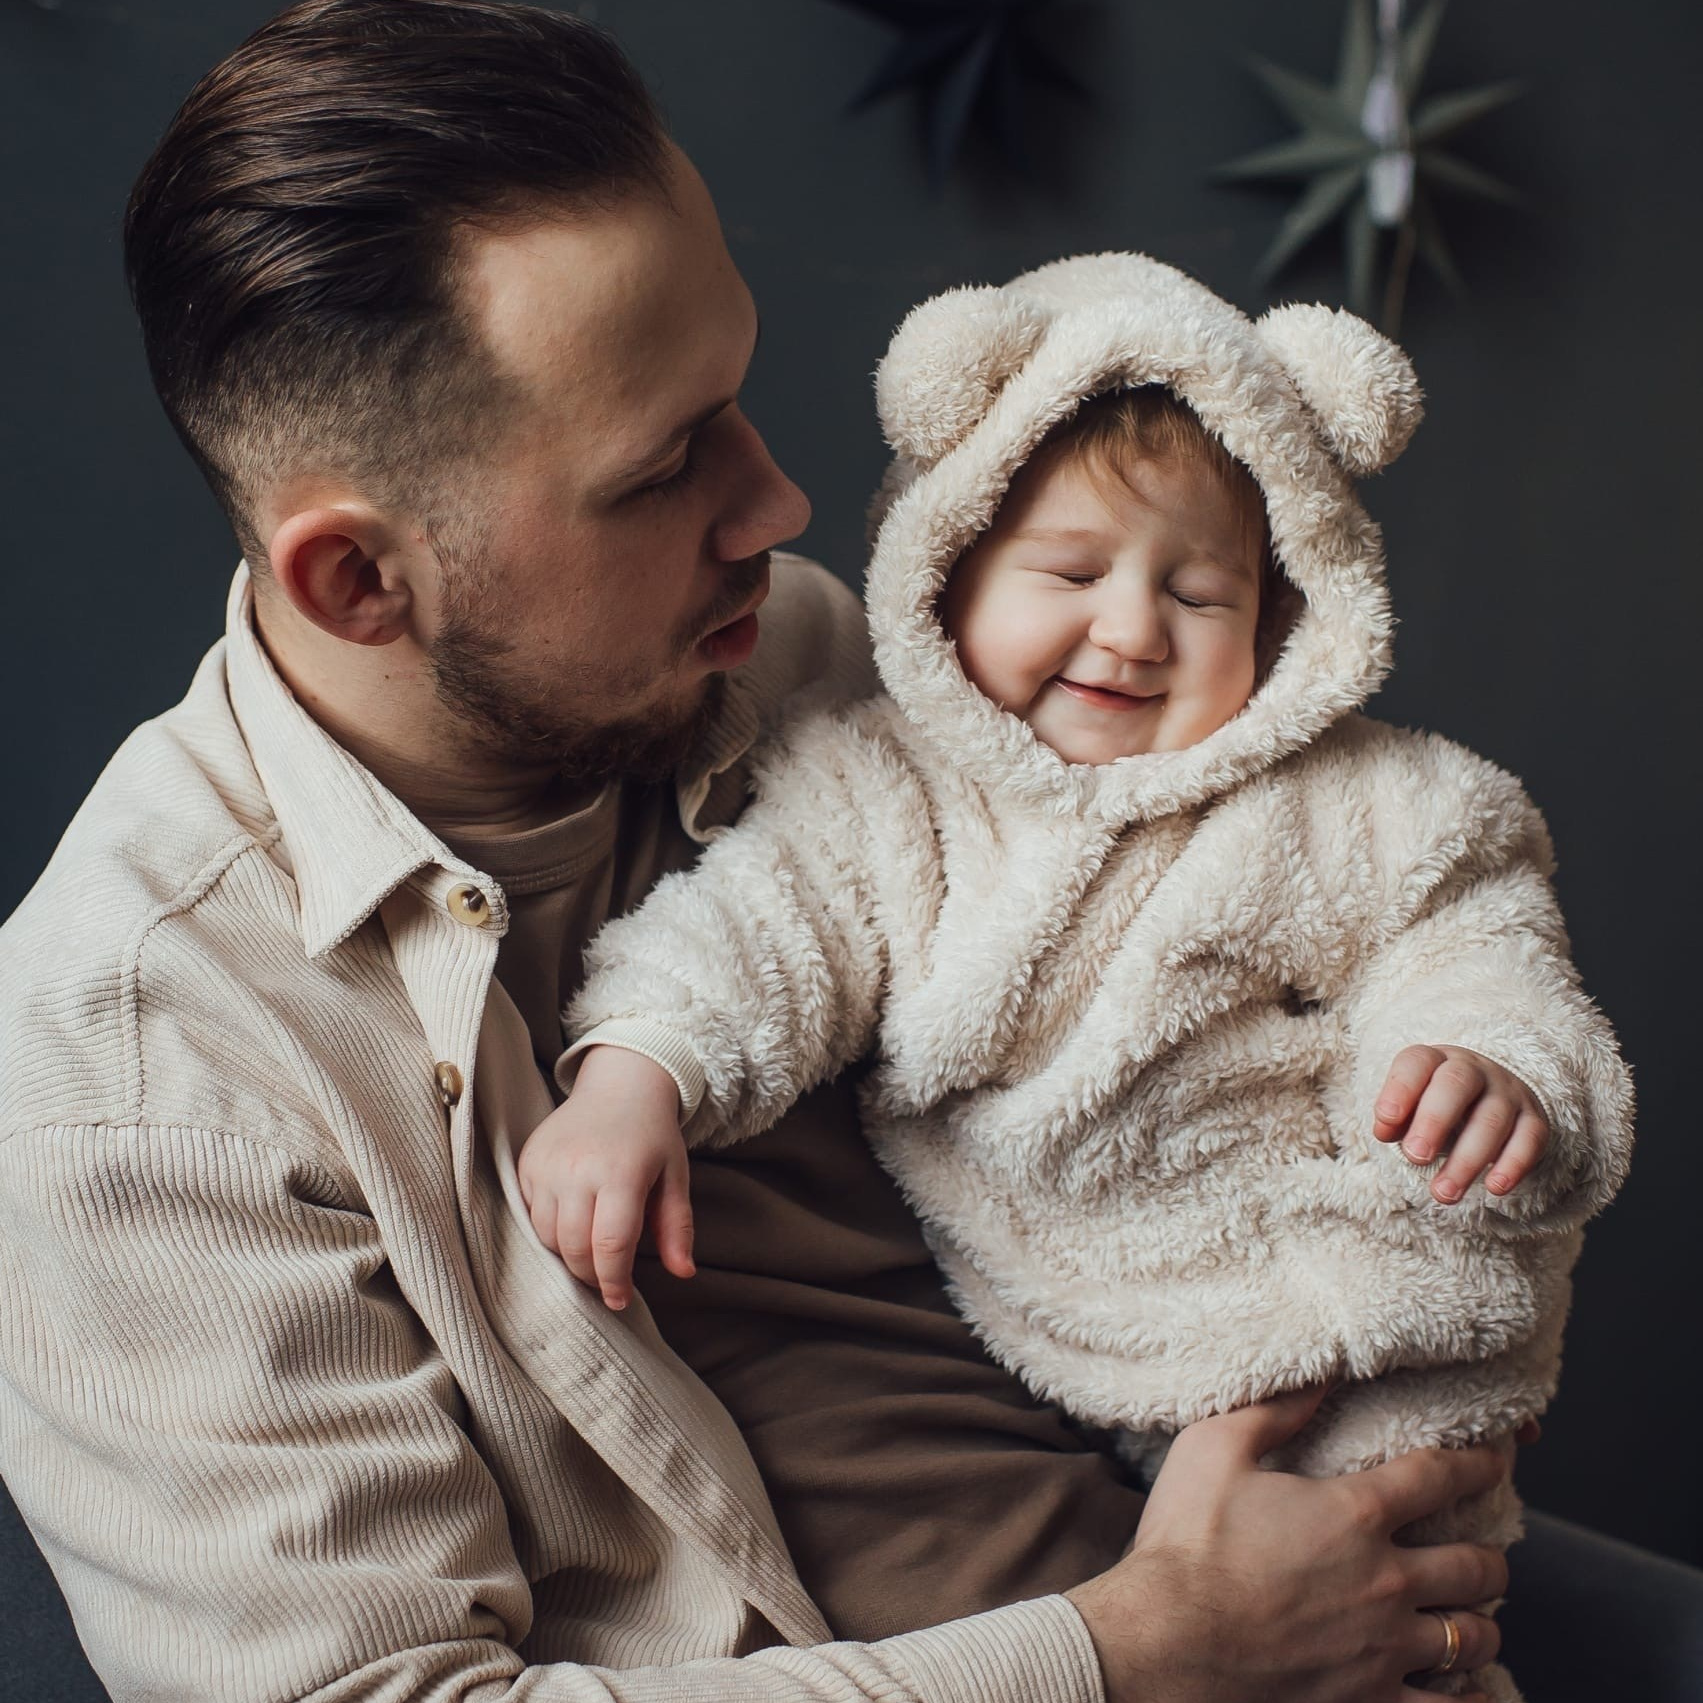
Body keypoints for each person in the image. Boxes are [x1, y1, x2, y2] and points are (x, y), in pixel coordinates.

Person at [0, 3, 1671, 1701]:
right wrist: (1143, 1657)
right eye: (663, 470)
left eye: (730, 396)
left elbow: (1339, 907)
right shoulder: (137, 1071)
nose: (782, 501)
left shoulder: (833, 662)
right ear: (360, 583)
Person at [516, 256, 1633, 1702]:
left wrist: (1489, 1063)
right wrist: (635, 1076)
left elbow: (1471, 933)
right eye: (1071, 570)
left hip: (1364, 1290)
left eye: (1199, 590)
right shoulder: (878, 794)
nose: (1130, 629)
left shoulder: (1358, 799)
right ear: (946, 566)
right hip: (1098, 1322)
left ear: (1288, 619)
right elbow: (758, 934)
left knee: (1411, 1610)